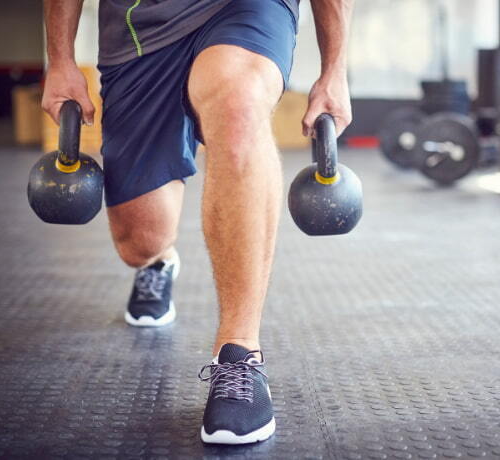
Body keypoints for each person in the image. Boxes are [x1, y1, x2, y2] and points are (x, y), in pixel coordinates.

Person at [41, 0, 353, 445]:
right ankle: (159, 261)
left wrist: (335, 69)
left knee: (238, 105)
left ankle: (240, 354)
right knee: (140, 239)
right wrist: (62, 60)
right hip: (139, 26)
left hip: (245, 9)